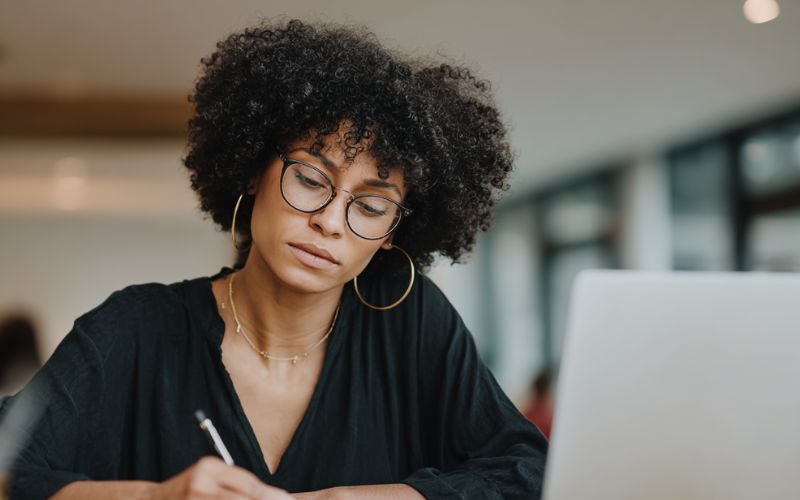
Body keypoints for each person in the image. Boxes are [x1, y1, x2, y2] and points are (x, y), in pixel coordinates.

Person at [2, 19, 547, 499]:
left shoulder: (407, 322)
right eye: (311, 179)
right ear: (252, 171)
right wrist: (155, 498)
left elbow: (527, 469)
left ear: (391, 232)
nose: (331, 221)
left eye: (372, 204)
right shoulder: (136, 330)